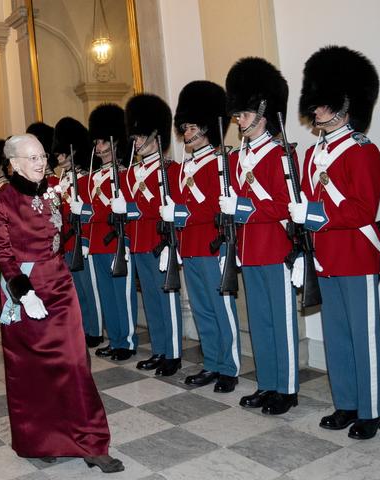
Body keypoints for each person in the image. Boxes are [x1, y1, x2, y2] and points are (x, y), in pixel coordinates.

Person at [0, 133, 123, 473]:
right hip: (27, 291)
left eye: (42, 156)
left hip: (60, 285)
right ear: (14, 164)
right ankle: (41, 439)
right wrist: (24, 292)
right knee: (33, 369)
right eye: (31, 158)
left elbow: (58, 237)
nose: (41, 162)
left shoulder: (51, 191)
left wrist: (77, 220)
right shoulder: (1, 201)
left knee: (75, 363)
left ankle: (92, 443)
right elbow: (2, 252)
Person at [288, 46, 380, 438]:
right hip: (325, 255)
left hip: (357, 253)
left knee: (363, 336)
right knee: (337, 336)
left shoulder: (363, 150)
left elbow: (362, 210)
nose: (316, 111)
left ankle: (370, 410)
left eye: (323, 104)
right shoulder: (312, 154)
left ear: (344, 104)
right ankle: (346, 402)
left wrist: (313, 216)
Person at [219, 57, 298, 414]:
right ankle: (267, 383)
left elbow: (285, 204)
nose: (239, 120)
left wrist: (243, 208)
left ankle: (288, 387)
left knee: (281, 322)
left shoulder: (281, 154)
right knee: (261, 323)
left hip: (275, 247)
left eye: (244, 114)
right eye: (237, 114)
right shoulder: (237, 158)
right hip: (249, 250)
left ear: (263, 111)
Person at [161, 80, 241, 392]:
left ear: (206, 127)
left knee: (222, 309)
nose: (185, 133)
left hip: (212, 245)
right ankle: (212, 363)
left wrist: (179, 214)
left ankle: (230, 367)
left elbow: (213, 207)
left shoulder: (222, 161)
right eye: (184, 127)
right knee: (202, 309)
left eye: (191, 126)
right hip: (190, 247)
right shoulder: (184, 167)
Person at [112, 93, 183, 376]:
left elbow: (165, 206)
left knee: (166, 297)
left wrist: (134, 205)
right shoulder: (132, 172)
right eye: (134, 137)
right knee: (151, 301)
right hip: (139, 244)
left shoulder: (169, 169)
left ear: (156, 135)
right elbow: (131, 210)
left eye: (140, 136)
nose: (136, 142)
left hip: (158, 243)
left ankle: (174, 352)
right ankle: (160, 349)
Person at [88, 104, 138, 361]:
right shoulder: (94, 176)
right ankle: (115, 338)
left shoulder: (126, 173)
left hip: (117, 241)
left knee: (121, 294)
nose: (97, 147)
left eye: (101, 141)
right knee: (107, 295)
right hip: (97, 242)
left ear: (113, 142)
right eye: (96, 142)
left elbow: (129, 208)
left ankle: (127, 341)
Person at [52, 117, 104, 348]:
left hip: (83, 241)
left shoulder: (86, 177)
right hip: (67, 241)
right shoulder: (64, 180)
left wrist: (83, 239)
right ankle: (83, 326)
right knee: (76, 289)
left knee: (89, 288)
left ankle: (96, 329)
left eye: (64, 153)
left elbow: (91, 212)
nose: (60, 158)